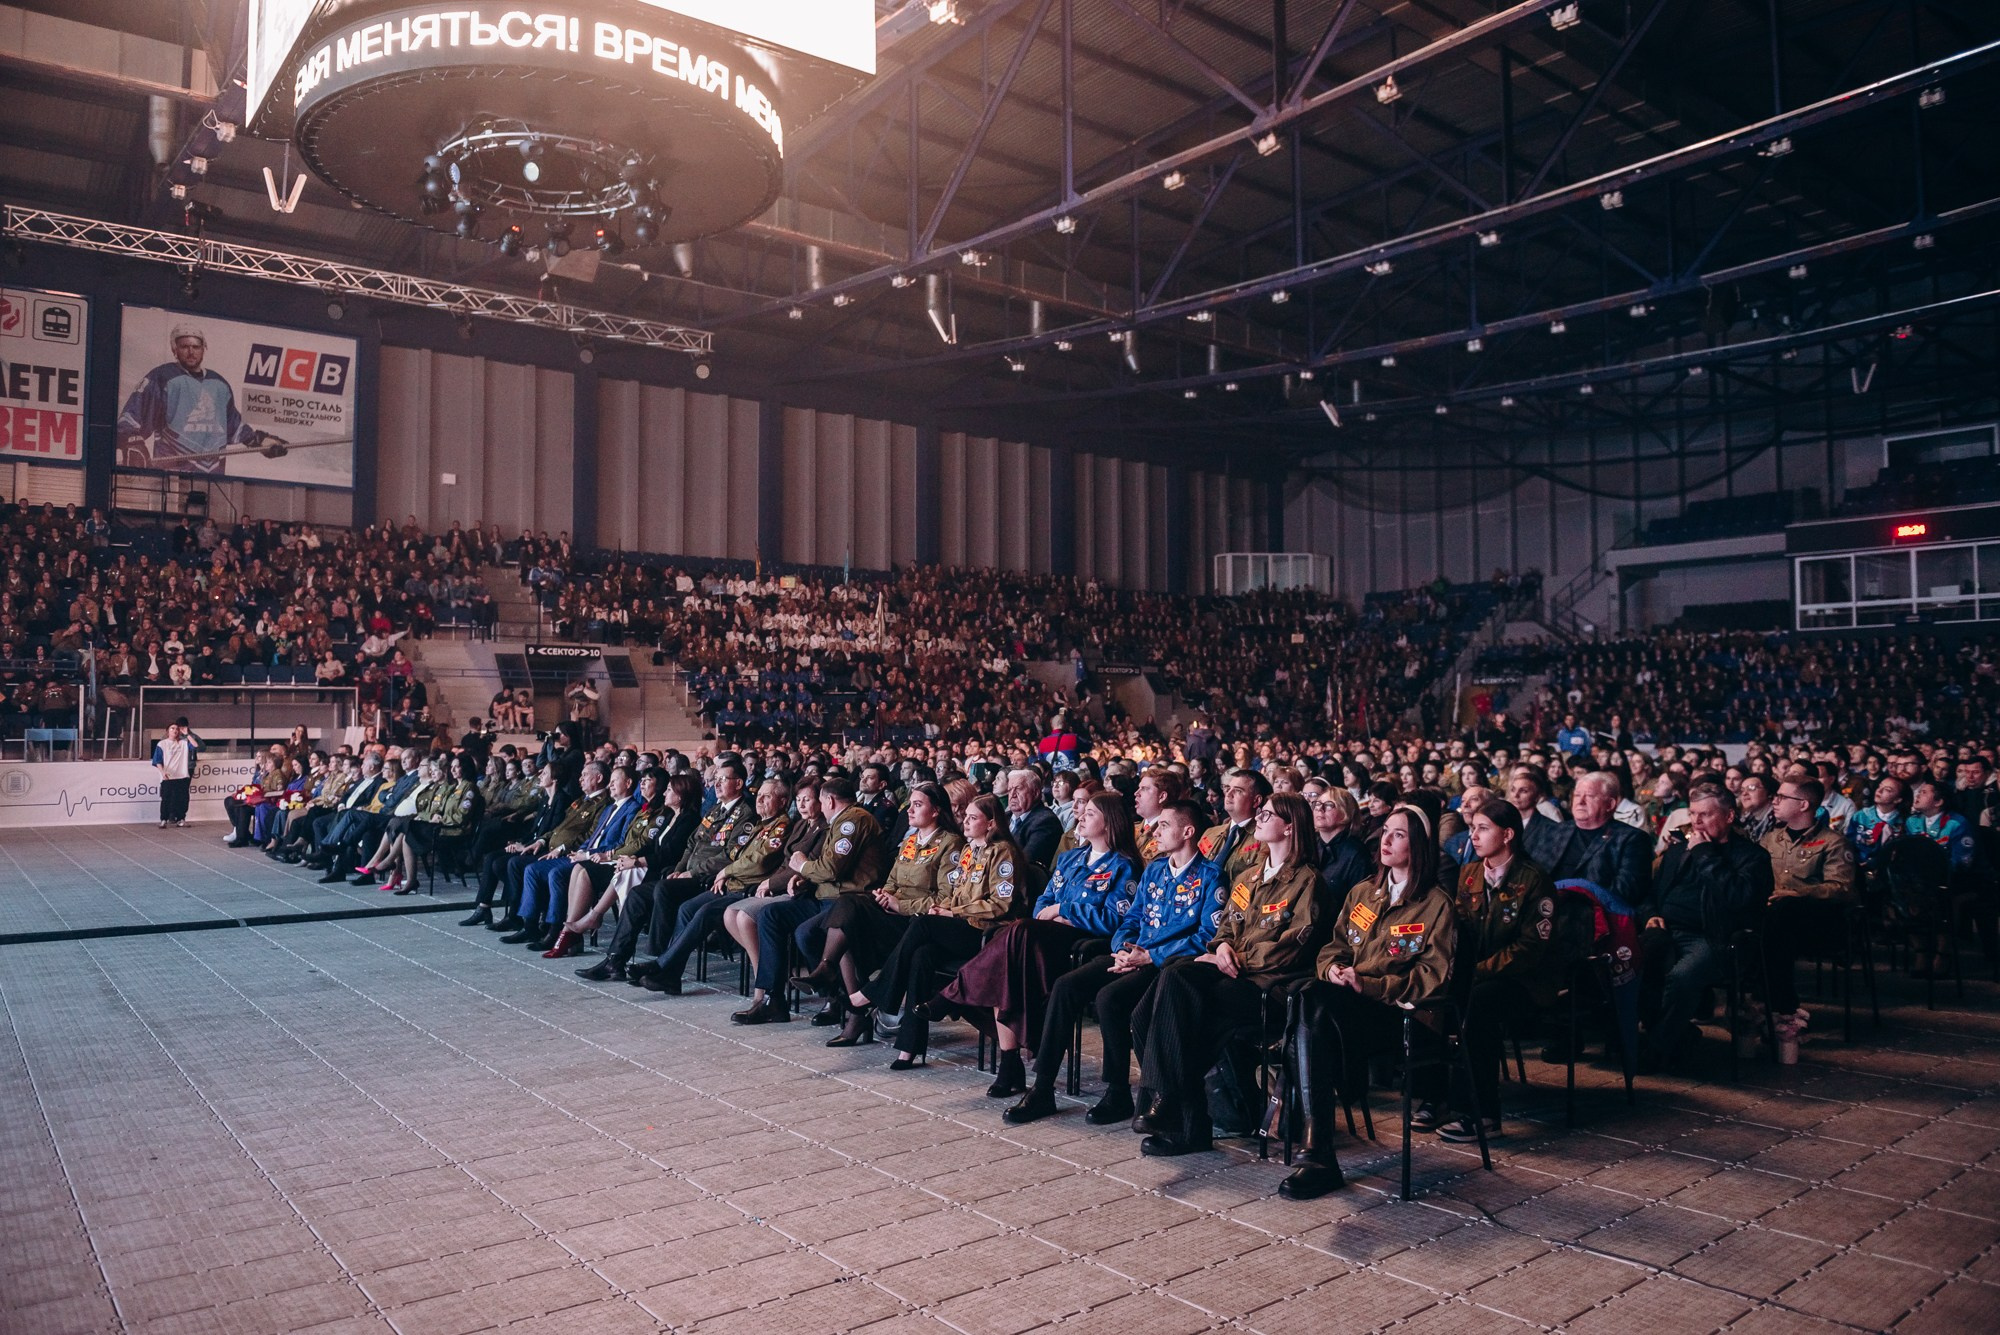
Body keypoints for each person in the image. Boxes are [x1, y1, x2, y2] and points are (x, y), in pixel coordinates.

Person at [1004, 800, 1222, 1127]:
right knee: (1066, 986)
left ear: (1188, 831)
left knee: (1109, 998)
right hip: (1134, 953)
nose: (1155, 831)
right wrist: (1122, 948)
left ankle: (1118, 1092)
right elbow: (1131, 919)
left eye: (1164, 825)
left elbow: (1207, 936)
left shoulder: (1210, 876)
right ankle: (1043, 1088)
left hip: (1168, 964)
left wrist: (1150, 956)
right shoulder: (1155, 870)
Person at [1130, 791, 1323, 1156]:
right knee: (1152, 1005)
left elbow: (1293, 945)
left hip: (1269, 985)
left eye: (1267, 815)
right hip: (1231, 972)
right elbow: (1225, 928)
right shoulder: (1249, 876)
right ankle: (1173, 1109)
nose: (1259, 819)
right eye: (1260, 813)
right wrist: (1220, 948)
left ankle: (1179, 1115)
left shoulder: (1307, 880)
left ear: (1290, 827)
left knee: (1181, 1007)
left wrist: (1237, 958)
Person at [1279, 805, 1456, 1200]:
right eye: (1385, 831)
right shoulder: (1362, 893)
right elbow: (1333, 948)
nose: (1385, 840)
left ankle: (1314, 1145)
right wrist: (1334, 970)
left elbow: (1432, 978)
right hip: (1348, 1006)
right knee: (1311, 1001)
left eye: (1399, 834)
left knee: (1308, 1008)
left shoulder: (1436, 904)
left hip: (1402, 1017)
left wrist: (1369, 985)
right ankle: (1317, 1152)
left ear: (1418, 845)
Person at [938, 790, 1141, 1093]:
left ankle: (957, 992)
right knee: (1009, 957)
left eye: (1090, 813)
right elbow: (1043, 901)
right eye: (1082, 812)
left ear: (1110, 823)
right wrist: (1053, 912)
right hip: (1044, 937)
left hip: (1081, 943)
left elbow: (1114, 919)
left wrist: (1065, 910)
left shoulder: (1124, 866)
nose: (1081, 817)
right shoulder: (1071, 858)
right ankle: (1008, 1062)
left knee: (1016, 933)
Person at [1418, 799, 1558, 1144]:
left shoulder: (1534, 880)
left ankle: (1481, 1115)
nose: (1474, 836)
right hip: (1477, 975)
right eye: (1472, 828)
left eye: (1483, 828)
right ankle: (1434, 1097)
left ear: (1507, 834)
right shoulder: (1470, 874)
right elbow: (1459, 930)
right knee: (1429, 994)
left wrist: (1475, 972)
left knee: (1478, 1004)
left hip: (1524, 981)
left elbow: (1529, 949)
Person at [856, 793, 1027, 1067]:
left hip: (986, 934)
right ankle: (909, 1047)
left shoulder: (1003, 852)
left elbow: (1000, 905)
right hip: (960, 926)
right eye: (966, 816)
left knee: (921, 923)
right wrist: (941, 908)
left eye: (973, 818)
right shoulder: (970, 850)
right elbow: (956, 893)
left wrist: (952, 912)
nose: (965, 822)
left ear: (991, 823)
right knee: (921, 955)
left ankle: (876, 990)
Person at [808, 782, 965, 1040]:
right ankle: (832, 974)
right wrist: (884, 895)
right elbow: (892, 881)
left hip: (917, 924)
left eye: (917, 805)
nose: (909, 811)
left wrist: (899, 905)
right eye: (910, 804)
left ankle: (854, 1009)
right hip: (892, 915)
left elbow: (945, 899)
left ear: (936, 811)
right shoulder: (911, 841)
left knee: (849, 922)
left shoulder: (951, 845)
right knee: (847, 911)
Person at [625, 777, 803, 993]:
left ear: (783, 802)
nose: (759, 800)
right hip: (730, 884)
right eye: (759, 795)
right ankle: (670, 975)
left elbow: (758, 862)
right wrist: (725, 874)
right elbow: (734, 854)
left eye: (767, 797)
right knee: (686, 908)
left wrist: (726, 871)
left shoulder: (781, 827)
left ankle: (662, 965)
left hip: (747, 890)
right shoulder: (759, 825)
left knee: (704, 912)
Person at [1638, 788, 1774, 1071]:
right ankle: (1675, 1035)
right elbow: (1650, 893)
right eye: (1693, 814)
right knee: (1629, 966)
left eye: (1705, 814)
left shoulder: (1752, 857)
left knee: (1682, 977)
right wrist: (1651, 915)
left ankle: (1657, 1048)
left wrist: (1704, 854)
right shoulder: (1678, 851)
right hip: (1667, 930)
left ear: (1729, 816)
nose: (1696, 821)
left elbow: (1738, 898)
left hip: (1715, 936)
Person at [115, 322, 283, 473]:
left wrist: (262, 442)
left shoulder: (219, 384)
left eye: (196, 347)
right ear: (174, 350)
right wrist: (131, 441)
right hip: (171, 477)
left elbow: (233, 425)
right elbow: (131, 418)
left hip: (213, 478)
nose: (191, 352)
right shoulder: (162, 377)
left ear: (204, 349)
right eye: (184, 347)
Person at [1758, 777, 1858, 1014]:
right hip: (1774, 917)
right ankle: (1766, 1000)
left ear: (1803, 805)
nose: (1775, 801)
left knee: (1785, 910)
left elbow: (1841, 888)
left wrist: (1798, 893)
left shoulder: (1833, 843)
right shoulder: (1772, 839)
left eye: (1782, 797)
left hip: (1817, 920)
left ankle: (1776, 1004)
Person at [1199, 768, 1270, 884]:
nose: (1228, 794)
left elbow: (1254, 884)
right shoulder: (1210, 832)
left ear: (1256, 801)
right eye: (1228, 788)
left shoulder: (1264, 841)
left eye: (1238, 791)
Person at [1005, 768, 1062, 870]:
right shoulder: (1004, 817)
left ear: (1035, 793)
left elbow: (1027, 862)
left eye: (1018, 789)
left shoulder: (1046, 821)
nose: (1012, 795)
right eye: (1009, 790)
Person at [151, 717, 198, 827]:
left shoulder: (183, 743)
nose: (175, 730)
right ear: (167, 731)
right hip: (168, 776)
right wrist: (162, 772)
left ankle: (181, 819)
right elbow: (157, 761)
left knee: (182, 799)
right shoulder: (162, 744)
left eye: (177, 729)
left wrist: (187, 734)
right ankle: (164, 819)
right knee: (166, 798)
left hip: (182, 775)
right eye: (172, 728)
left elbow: (195, 745)